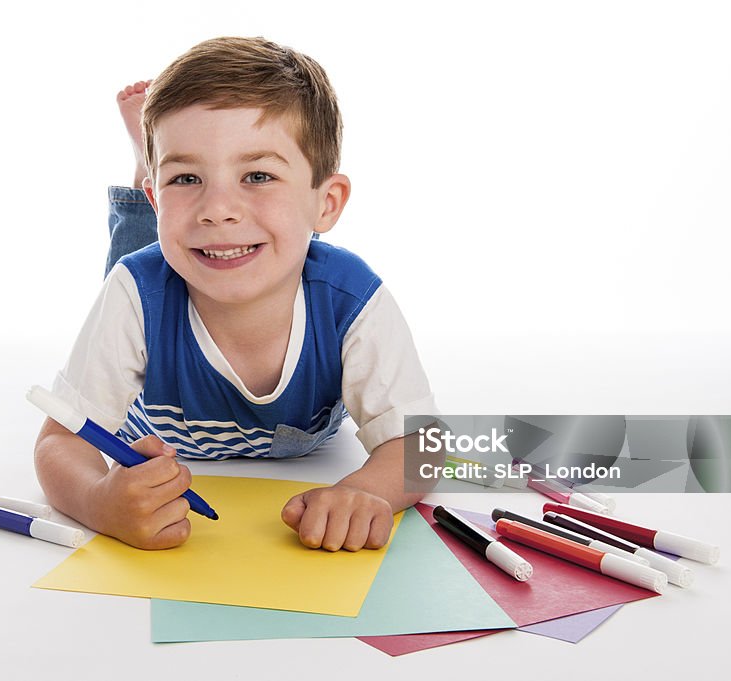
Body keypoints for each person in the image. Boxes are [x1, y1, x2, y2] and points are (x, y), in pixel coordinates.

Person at [34, 37, 437, 552]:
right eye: (186, 177)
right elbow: (59, 439)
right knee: (135, 253)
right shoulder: (135, 293)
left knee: (184, 240)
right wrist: (96, 499)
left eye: (257, 175)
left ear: (326, 204)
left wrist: (362, 491)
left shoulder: (351, 298)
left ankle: (154, 167)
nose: (218, 208)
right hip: (153, 288)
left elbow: (422, 447)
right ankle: (144, 175)